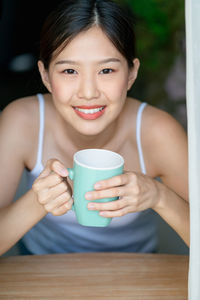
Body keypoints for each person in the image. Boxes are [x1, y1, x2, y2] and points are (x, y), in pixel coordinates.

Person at [0, 0, 189, 255]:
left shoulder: (158, 132)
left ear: (131, 74)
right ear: (45, 76)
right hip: (40, 269)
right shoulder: (21, 121)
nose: (88, 93)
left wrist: (159, 196)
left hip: (137, 274)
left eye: (107, 70)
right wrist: (37, 202)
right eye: (69, 71)